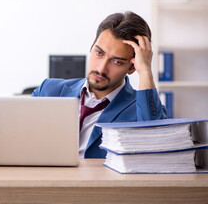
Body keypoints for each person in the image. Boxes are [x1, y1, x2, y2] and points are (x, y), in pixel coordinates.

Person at [32, 11, 167, 158]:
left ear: (132, 67)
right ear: (92, 46)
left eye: (117, 62)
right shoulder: (48, 90)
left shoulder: (142, 108)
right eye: (99, 53)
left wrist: (146, 71)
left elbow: (155, 147)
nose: (101, 68)